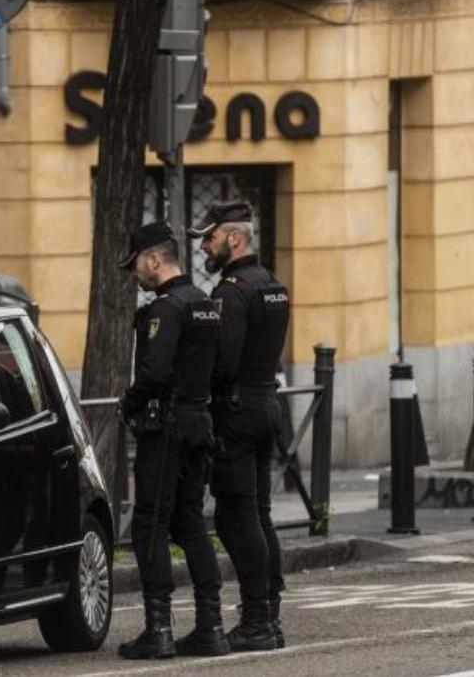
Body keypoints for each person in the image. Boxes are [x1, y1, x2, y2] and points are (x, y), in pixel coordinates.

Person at [116, 222, 228, 660]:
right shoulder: (205, 303)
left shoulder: (165, 308)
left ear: (155, 259)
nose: (134, 275)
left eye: (136, 265)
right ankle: (211, 625)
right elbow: (220, 367)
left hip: (165, 428)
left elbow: (155, 373)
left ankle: (158, 628)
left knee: (149, 525)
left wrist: (128, 404)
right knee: (190, 523)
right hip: (198, 423)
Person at [188, 200, 291, 651]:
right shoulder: (272, 285)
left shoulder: (230, 292)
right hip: (267, 403)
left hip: (235, 412)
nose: (205, 247)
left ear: (234, 237)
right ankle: (269, 612)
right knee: (260, 515)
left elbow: (222, 363)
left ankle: (256, 621)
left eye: (209, 238)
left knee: (235, 518)